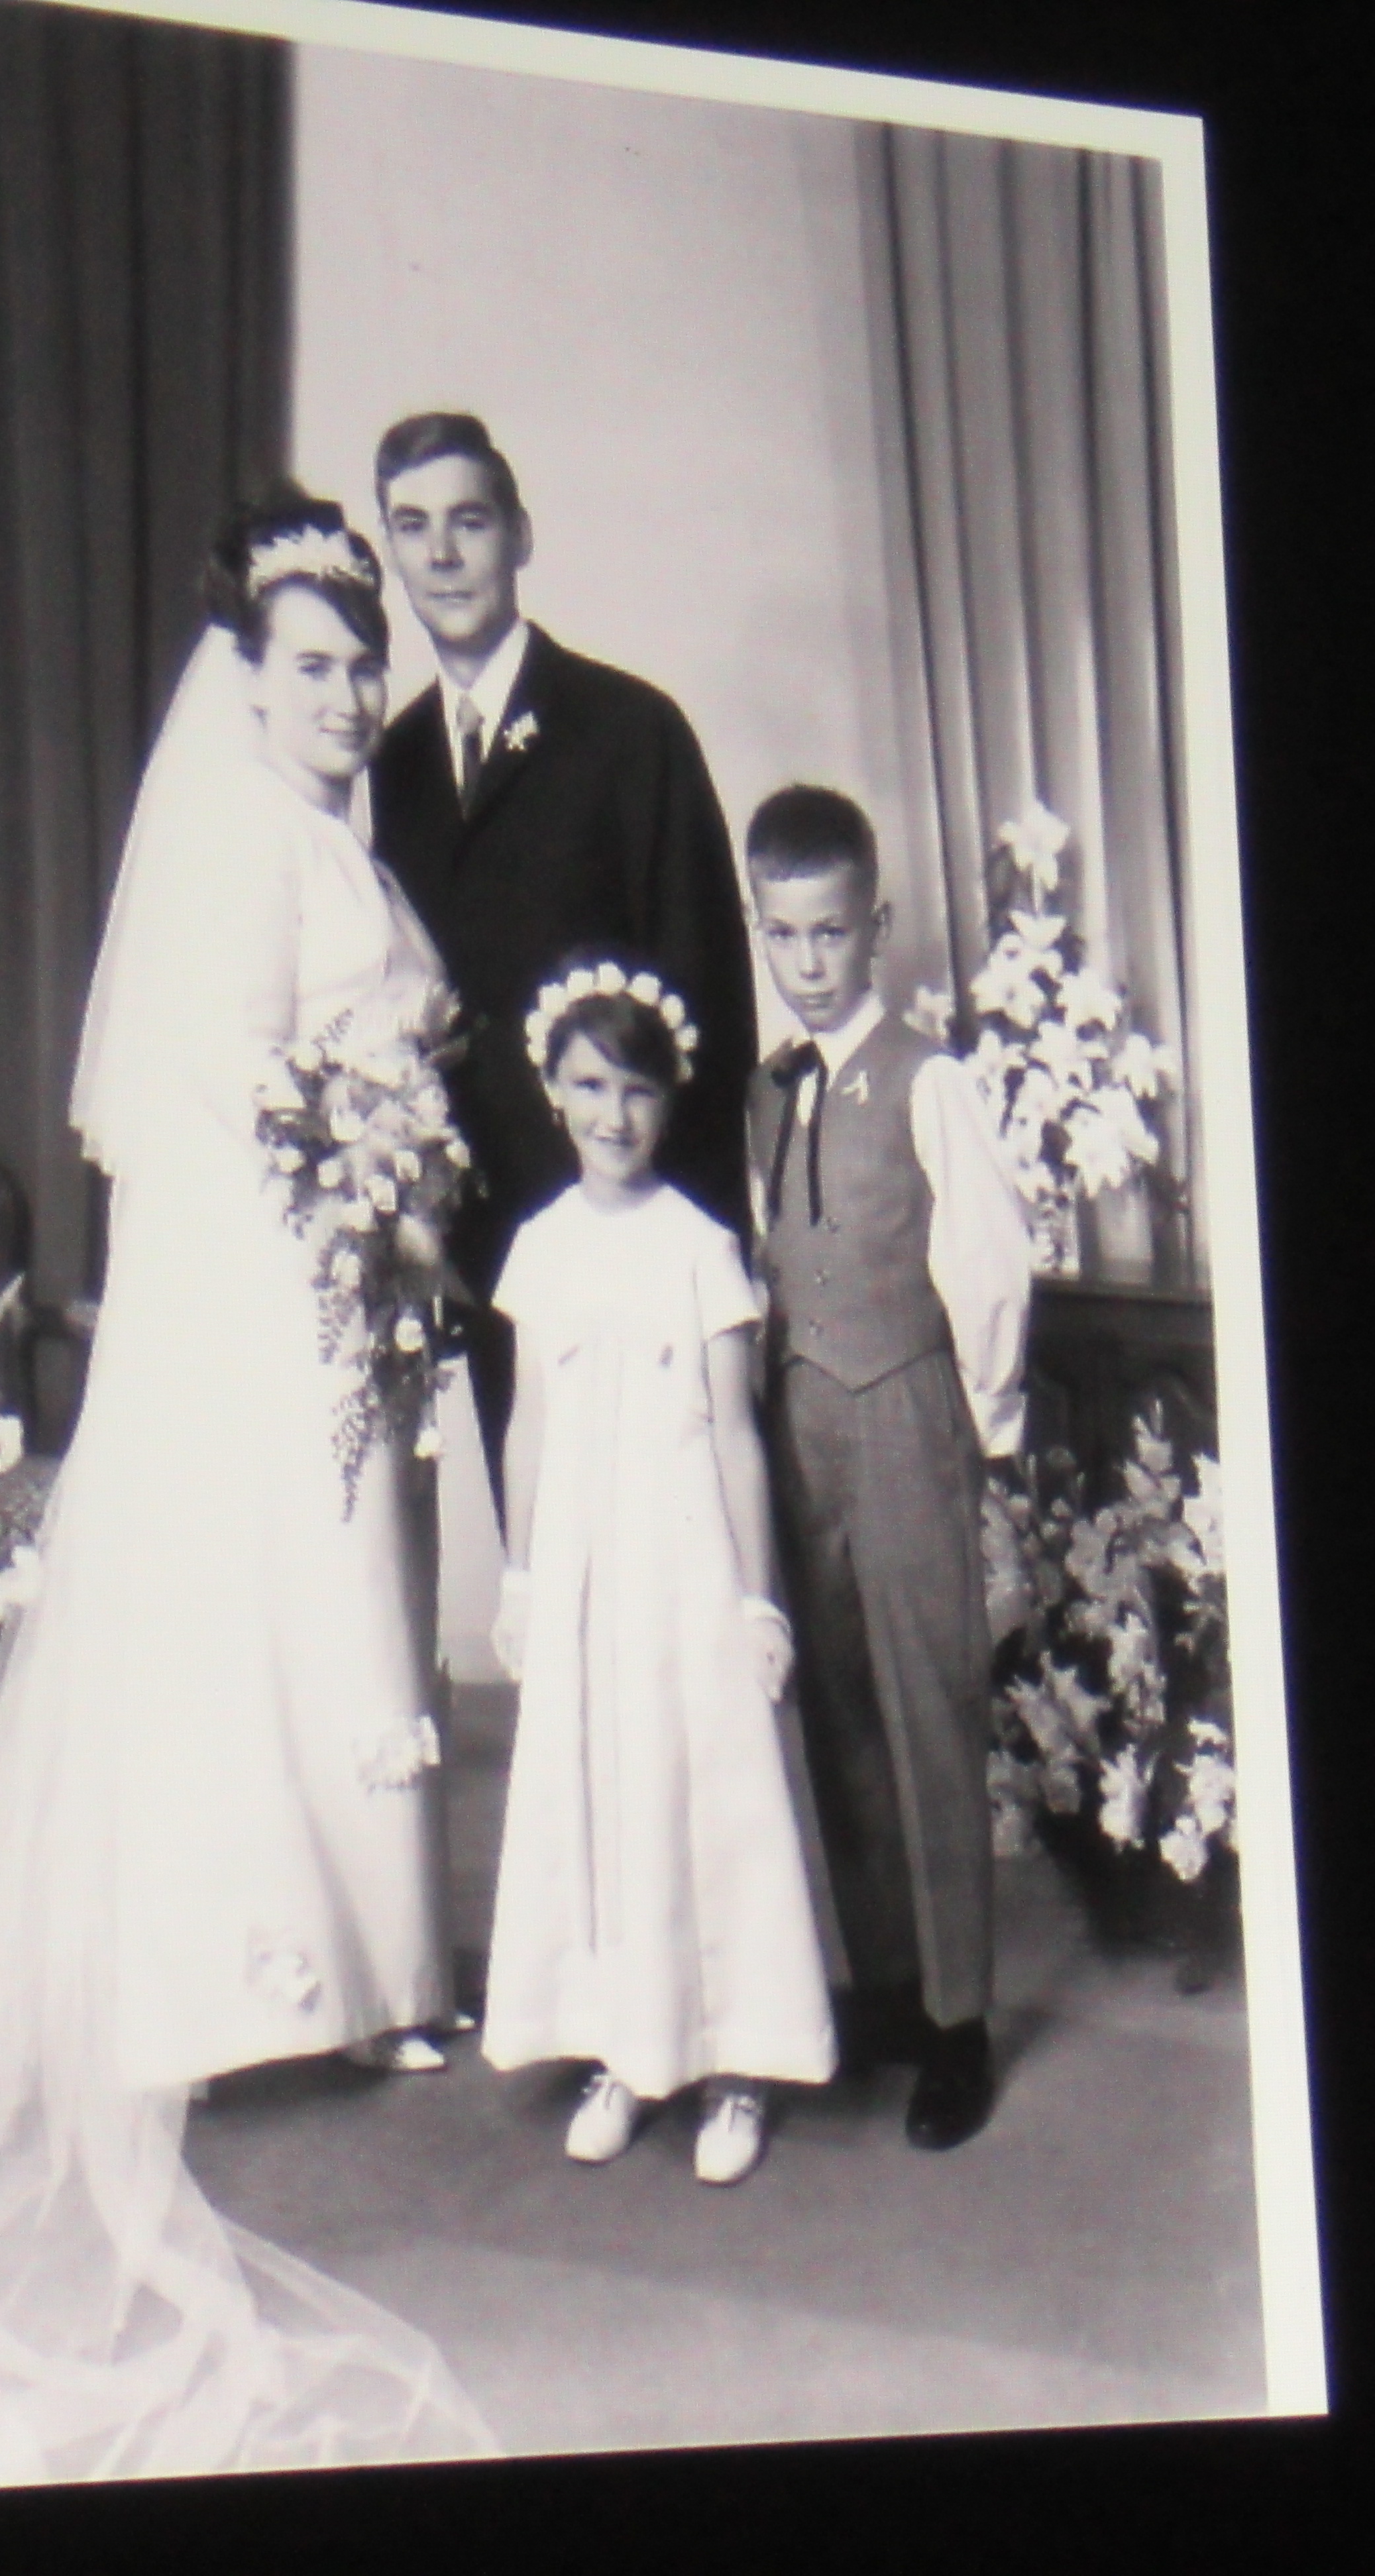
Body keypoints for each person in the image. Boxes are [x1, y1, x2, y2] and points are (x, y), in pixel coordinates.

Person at [0, 493, 492, 2498]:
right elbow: (236, 1090)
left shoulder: (337, 838)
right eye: (313, 666)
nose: (350, 694)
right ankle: (241, 1983)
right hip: (268, 1287)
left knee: (352, 1605)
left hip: (341, 1283)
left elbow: (364, 1057)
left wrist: (396, 1194)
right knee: (262, 1605)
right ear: (249, 683)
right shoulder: (238, 841)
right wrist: (360, 1199)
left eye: (364, 663)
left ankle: (376, 1976)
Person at [479, 957, 838, 2186]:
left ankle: (737, 2061)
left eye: (636, 1090)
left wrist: (756, 1598)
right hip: (585, 1568)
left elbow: (735, 1433)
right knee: (603, 1794)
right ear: (554, 1093)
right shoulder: (541, 1247)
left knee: (705, 1792)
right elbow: (528, 1425)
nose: (613, 1115)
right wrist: (520, 1575)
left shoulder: (699, 1245)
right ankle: (630, 2052)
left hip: (683, 1563)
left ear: (669, 1099)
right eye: (589, 1086)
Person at [364, 413, 759, 1487]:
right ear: (391, 550)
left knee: (678, 1551)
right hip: (497, 1255)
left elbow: (709, 1010)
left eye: (469, 521)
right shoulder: (392, 767)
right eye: (413, 527)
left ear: (520, 535)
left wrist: (700, 1252)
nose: (443, 554)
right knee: (548, 1557)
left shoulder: (631, 731)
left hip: (640, 1239)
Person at [738, 786, 1034, 2153]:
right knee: (841, 1714)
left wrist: (990, 1434)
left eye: (832, 931)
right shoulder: (763, 1089)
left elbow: (986, 1263)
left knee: (928, 1706)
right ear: (760, 929)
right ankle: (890, 1988)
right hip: (801, 1421)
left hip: (908, 1413)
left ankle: (960, 2021)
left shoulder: (930, 1079)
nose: (809, 961)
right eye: (784, 933)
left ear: (877, 927)